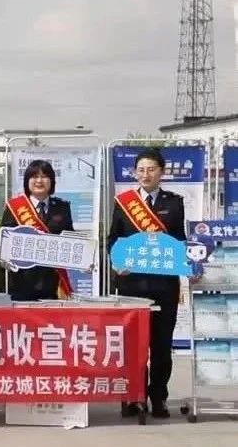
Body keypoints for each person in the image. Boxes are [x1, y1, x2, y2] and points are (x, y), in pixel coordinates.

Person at [107, 148, 186, 419]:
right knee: (133, 344)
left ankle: (158, 397)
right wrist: (116, 261)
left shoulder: (174, 203)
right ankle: (133, 395)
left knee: (161, 345)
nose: (145, 174)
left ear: (161, 172)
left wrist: (188, 261)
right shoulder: (124, 203)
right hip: (131, 285)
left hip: (164, 285)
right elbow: (113, 239)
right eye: (140, 170)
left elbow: (180, 242)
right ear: (134, 173)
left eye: (151, 169)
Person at [0, 160, 75, 301]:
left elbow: (70, 239)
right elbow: (4, 242)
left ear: (51, 181)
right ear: (27, 181)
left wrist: (83, 259)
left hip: (52, 283)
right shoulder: (15, 207)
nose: (39, 181)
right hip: (22, 282)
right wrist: (5, 260)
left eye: (44, 176)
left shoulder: (62, 207)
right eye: (34, 177)